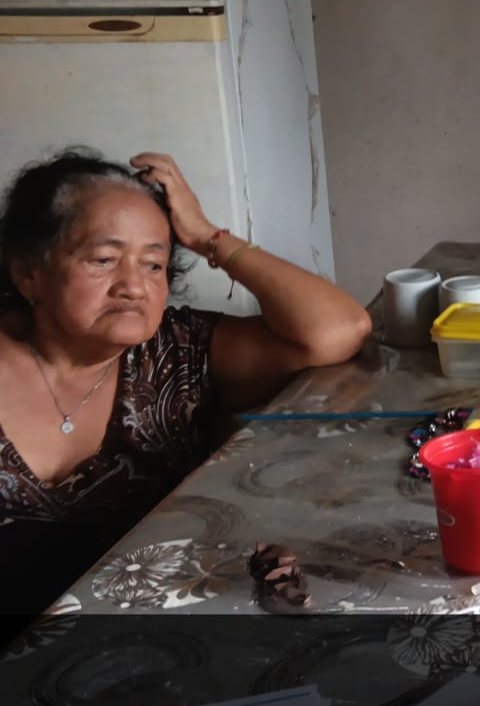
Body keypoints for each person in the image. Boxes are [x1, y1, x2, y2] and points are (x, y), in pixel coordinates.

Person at [0, 149, 371, 620]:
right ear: (28, 274)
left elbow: (339, 330)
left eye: (153, 265)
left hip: (142, 631)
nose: (134, 285)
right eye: (104, 259)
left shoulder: (177, 353)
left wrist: (204, 235)